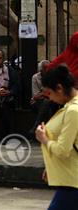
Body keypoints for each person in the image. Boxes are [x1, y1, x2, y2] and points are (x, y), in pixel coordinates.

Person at [35, 65, 78, 210]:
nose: (51, 98)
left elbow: (63, 150)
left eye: (49, 93)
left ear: (59, 88)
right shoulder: (70, 107)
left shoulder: (73, 111)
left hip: (73, 180)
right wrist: (53, 167)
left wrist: (43, 138)